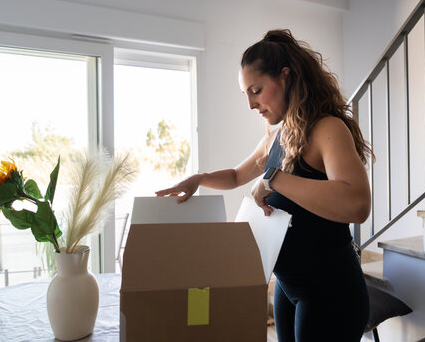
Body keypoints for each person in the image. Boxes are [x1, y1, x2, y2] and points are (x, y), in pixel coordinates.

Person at [156, 29, 372, 342]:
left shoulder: (327, 128)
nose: (251, 104)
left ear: (285, 77)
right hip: (287, 286)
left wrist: (274, 179)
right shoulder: (275, 137)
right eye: (246, 94)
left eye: (256, 90)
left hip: (330, 289)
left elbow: (357, 203)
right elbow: (234, 176)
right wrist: (199, 179)